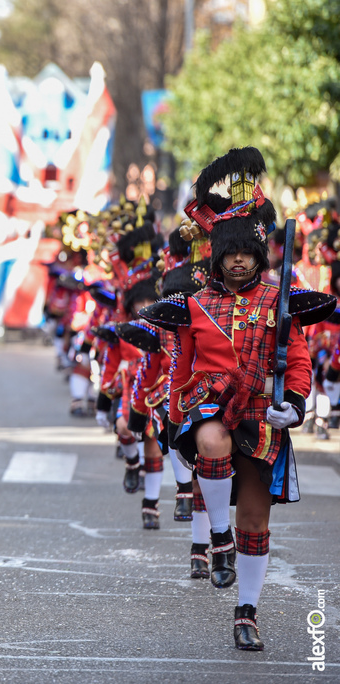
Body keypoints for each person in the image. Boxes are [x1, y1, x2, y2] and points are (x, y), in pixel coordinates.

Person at [140, 147, 336, 651]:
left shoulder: (279, 301)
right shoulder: (196, 305)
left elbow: (296, 359)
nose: (239, 259)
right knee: (209, 438)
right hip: (212, 406)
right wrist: (175, 410)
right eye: (230, 253)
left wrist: (292, 402)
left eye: (247, 252)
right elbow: (183, 369)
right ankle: (217, 537)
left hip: (262, 414)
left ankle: (246, 610)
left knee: (257, 522)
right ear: (218, 256)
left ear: (258, 255)